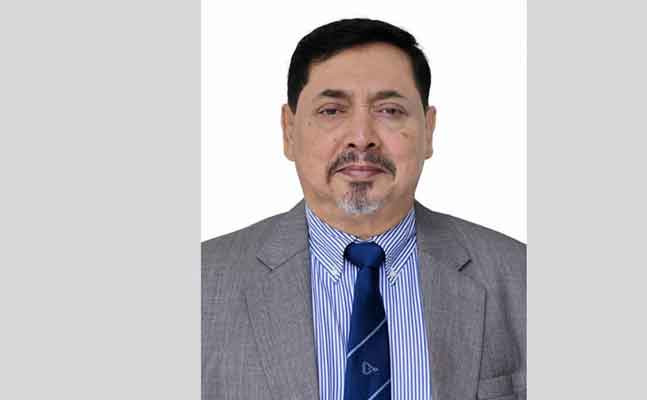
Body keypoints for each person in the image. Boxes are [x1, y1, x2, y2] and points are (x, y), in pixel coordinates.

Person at [202, 18, 525, 400]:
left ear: (428, 131)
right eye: (331, 111)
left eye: (389, 110)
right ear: (289, 131)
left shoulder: (522, 277)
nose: (361, 137)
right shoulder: (204, 284)